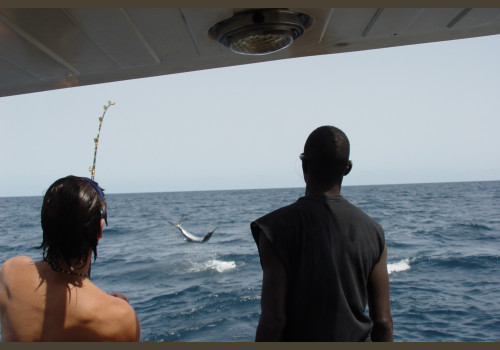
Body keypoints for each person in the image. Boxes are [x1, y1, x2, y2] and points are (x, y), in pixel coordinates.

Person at [251, 126, 393, 342]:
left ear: (304, 164)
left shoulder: (273, 229)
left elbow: (274, 320)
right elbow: (382, 322)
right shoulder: (374, 232)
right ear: (347, 168)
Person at [0, 176, 141, 342]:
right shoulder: (122, 318)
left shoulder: (10, 272)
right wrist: (111, 305)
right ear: (99, 230)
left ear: (45, 222)